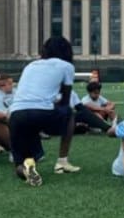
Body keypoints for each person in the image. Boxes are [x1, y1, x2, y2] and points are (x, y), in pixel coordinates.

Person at [9, 36, 80, 186]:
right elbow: (65, 100)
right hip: (42, 113)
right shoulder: (66, 66)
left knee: (22, 159)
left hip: (16, 114)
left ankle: (24, 169)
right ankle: (62, 161)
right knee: (70, 113)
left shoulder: (30, 65)